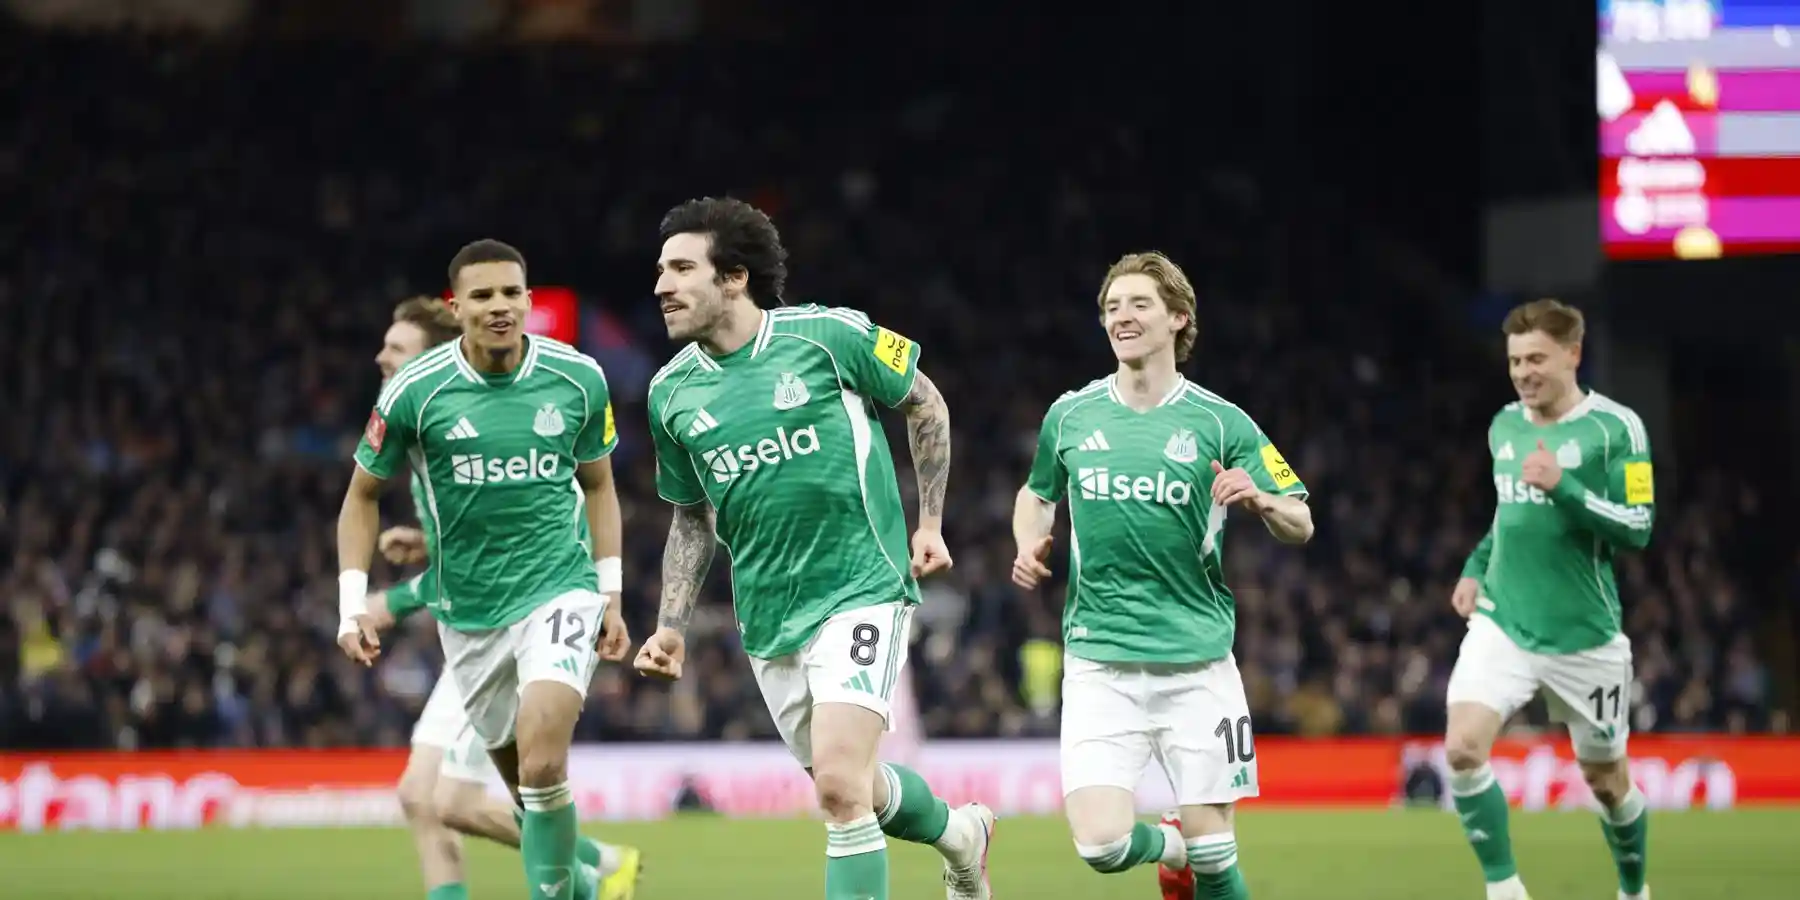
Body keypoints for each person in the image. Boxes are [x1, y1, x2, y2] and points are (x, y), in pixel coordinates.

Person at [633, 197, 994, 900]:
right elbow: (690, 518)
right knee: (854, 783)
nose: (661, 286)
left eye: (681, 269)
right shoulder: (669, 393)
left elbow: (925, 401)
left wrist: (929, 522)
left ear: (734, 277)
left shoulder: (831, 335)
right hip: (768, 615)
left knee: (837, 788)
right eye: (659, 271)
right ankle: (962, 836)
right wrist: (670, 628)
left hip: (862, 585)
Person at [1011, 251, 1313, 900]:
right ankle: (1172, 846)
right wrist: (1030, 540)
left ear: (1178, 317)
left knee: (1219, 857)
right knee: (1101, 844)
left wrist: (1261, 501)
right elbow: (1036, 493)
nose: (1122, 315)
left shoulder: (1220, 422)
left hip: (1196, 664)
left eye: (1139, 303)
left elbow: (1301, 520)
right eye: (1112, 306)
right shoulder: (1071, 415)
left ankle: (1195, 852)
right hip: (1099, 661)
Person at [337, 241, 632, 900]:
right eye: (483, 295)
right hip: (470, 619)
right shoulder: (417, 390)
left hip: (561, 589)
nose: (499, 307)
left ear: (527, 301)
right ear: (457, 306)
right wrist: (351, 603)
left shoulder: (577, 376)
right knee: (516, 784)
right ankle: (593, 880)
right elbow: (360, 496)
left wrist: (609, 594)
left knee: (544, 757)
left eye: (510, 293)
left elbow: (600, 487)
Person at [1444, 299, 1655, 900]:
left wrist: (1566, 487)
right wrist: (1475, 567)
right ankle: (1504, 889)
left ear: (1573, 354)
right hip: (1503, 621)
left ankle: (1634, 889)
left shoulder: (1616, 430)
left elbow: (1638, 526)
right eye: (1514, 361)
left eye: (1536, 358)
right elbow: (1507, 517)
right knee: (1462, 747)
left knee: (1608, 782)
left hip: (1583, 634)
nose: (1523, 372)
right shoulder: (1504, 425)